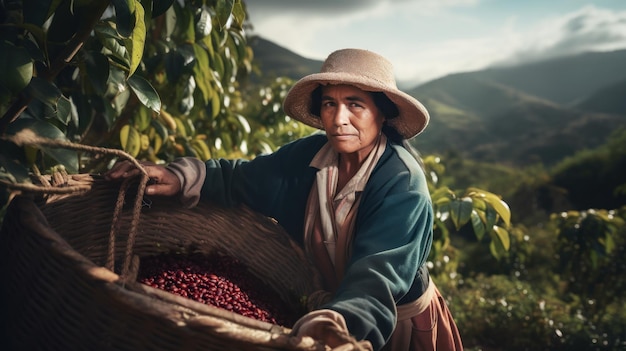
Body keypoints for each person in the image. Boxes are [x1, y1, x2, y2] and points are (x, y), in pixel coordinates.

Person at [105, 48, 463, 351]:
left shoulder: (402, 183)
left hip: (390, 323)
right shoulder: (309, 157)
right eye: (329, 104)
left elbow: (378, 278)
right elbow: (243, 179)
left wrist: (339, 323)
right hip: (324, 304)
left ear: (382, 114)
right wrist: (179, 175)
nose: (339, 120)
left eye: (355, 105)